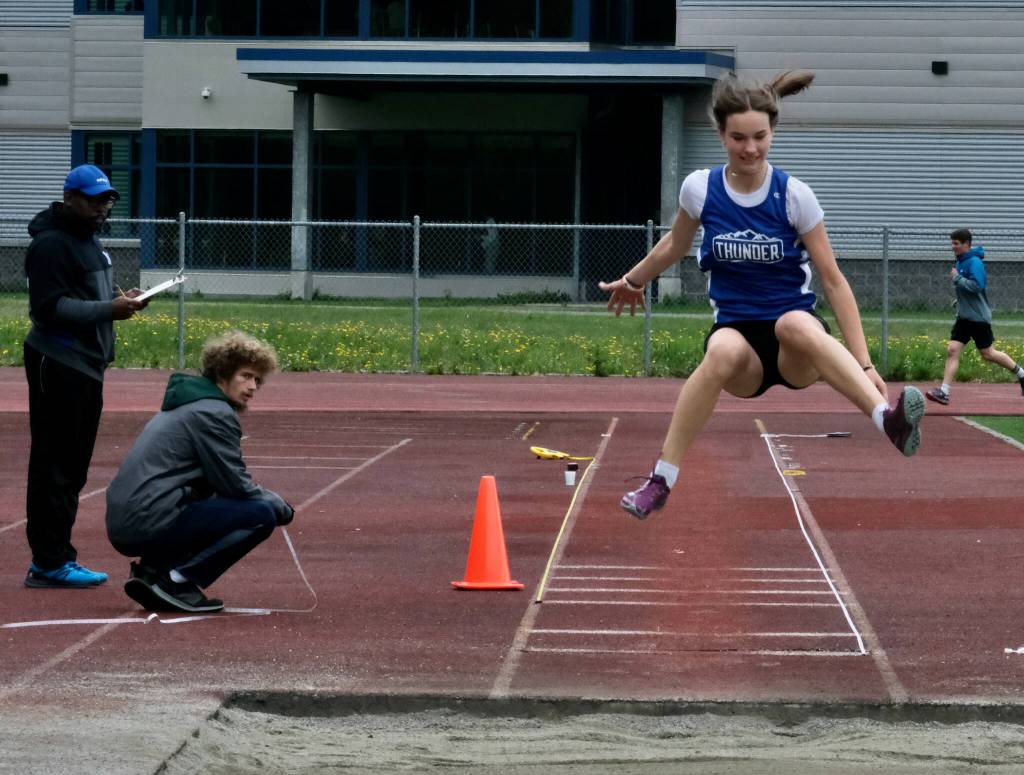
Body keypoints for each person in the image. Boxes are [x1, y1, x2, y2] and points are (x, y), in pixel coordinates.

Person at [599, 70, 926, 520]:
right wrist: (634, 280)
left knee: (793, 322)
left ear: (773, 132)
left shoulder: (794, 196)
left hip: (796, 343)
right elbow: (674, 244)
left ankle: (887, 421)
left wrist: (865, 362)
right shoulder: (701, 189)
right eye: (738, 138)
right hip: (739, 343)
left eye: (759, 136)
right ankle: (661, 480)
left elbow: (832, 280)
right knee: (719, 351)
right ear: (720, 134)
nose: (749, 148)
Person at [105, 331, 294, 613]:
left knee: (213, 500)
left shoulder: (188, 404)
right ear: (222, 373)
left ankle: (153, 571)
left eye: (257, 379)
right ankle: (176, 581)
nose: (253, 386)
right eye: (245, 376)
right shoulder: (214, 412)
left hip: (133, 517)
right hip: (148, 520)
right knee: (259, 514)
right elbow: (236, 485)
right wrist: (277, 503)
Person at [23, 164, 147, 589]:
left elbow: (86, 296)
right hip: (58, 362)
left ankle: (57, 556)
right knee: (54, 466)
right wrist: (106, 310)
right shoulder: (52, 245)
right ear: (69, 197)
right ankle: (49, 561)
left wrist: (118, 299)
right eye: (93, 200)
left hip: (86, 365)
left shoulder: (87, 241)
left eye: (106, 200)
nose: (101, 208)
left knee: (72, 467)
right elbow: (48, 308)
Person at [925, 229, 1024, 406]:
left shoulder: (974, 262)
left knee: (988, 354)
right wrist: (960, 301)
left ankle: (1021, 374)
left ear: (966, 244)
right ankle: (944, 392)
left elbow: (977, 286)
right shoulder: (961, 260)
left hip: (978, 318)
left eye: (956, 243)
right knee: (952, 350)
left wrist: (957, 279)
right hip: (964, 317)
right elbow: (968, 288)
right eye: (952, 243)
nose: (953, 247)